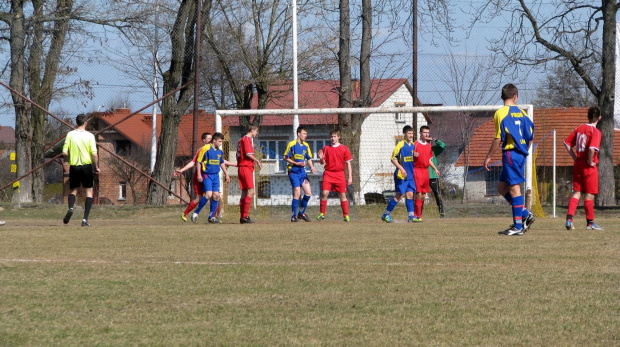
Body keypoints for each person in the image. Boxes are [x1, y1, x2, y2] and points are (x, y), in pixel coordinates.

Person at [483, 83, 535, 236]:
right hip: (520, 154)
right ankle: (525, 214)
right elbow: (531, 136)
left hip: (511, 153)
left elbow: (498, 137)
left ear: (502, 97)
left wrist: (489, 156)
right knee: (501, 187)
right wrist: (524, 150)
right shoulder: (523, 113)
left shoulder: (500, 113)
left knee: (514, 188)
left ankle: (518, 226)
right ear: (515, 96)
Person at [563, 106, 604, 230]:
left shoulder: (580, 128)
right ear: (599, 118)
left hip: (578, 164)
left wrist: (575, 157)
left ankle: (569, 219)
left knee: (577, 192)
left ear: (588, 116)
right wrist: (591, 161)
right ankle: (590, 223)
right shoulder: (595, 131)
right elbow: (592, 149)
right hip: (588, 166)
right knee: (589, 194)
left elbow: (566, 143)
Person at [62, 114, 100, 227]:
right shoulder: (89, 136)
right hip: (86, 166)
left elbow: (64, 152)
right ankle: (85, 220)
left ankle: (71, 207)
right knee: (89, 192)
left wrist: (68, 160)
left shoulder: (70, 134)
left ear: (76, 122)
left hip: (74, 166)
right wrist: (96, 166)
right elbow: (94, 154)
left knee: (73, 190)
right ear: (85, 123)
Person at [191, 132, 234, 223]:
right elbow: (199, 162)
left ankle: (211, 217)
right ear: (214, 140)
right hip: (207, 175)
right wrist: (199, 174)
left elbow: (221, 162)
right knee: (208, 195)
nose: (220, 143)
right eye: (219, 141)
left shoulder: (219, 151)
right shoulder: (205, 149)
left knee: (216, 196)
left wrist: (226, 173)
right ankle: (196, 212)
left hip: (216, 176)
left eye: (221, 142)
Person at [381, 125, 416, 223]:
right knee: (399, 196)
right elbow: (393, 158)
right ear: (404, 134)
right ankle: (386, 214)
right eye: (409, 133)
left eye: (412, 133)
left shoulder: (413, 145)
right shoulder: (400, 145)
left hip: (410, 176)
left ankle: (411, 217)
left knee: (410, 195)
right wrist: (401, 168)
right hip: (401, 175)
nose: (411, 135)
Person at [316, 129, 353, 222]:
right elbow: (322, 163)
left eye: (334, 136)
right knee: (324, 193)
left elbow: (348, 164)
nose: (332, 138)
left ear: (338, 137)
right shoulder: (326, 148)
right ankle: (322, 213)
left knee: (342, 195)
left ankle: (346, 215)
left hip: (339, 174)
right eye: (331, 137)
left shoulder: (344, 148)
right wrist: (321, 159)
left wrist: (350, 177)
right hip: (328, 173)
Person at [175, 132, 212, 222]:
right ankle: (185, 213)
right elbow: (193, 162)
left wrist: (234, 164)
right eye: (209, 138)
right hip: (199, 177)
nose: (211, 140)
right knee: (199, 198)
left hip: (209, 176)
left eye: (212, 138)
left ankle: (212, 217)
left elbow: (221, 160)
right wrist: (182, 170)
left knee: (214, 196)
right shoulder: (202, 150)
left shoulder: (214, 149)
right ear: (204, 140)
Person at [283, 126, 317, 222]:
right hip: (293, 172)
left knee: (308, 193)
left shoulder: (306, 146)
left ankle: (301, 213)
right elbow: (285, 157)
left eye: (306, 134)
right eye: (304, 133)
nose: (306, 135)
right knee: (297, 192)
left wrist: (312, 167)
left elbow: (309, 158)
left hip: (302, 173)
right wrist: (296, 163)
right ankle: (293, 216)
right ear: (298, 134)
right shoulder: (292, 144)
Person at [412, 125, 440, 222]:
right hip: (417, 170)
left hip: (425, 171)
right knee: (418, 194)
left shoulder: (428, 146)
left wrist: (435, 169)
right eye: (424, 132)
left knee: (423, 195)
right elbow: (408, 156)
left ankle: (416, 214)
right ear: (420, 133)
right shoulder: (415, 144)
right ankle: (417, 216)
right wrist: (412, 154)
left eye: (428, 132)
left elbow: (428, 160)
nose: (426, 134)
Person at [236, 125, 262, 224]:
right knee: (251, 191)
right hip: (246, 167)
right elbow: (248, 153)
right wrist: (257, 161)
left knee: (244, 192)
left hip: (241, 168)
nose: (257, 133)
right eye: (256, 131)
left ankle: (242, 216)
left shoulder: (240, 140)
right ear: (251, 130)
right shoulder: (247, 139)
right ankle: (245, 216)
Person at [428, 136, 446, 217]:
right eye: (426, 141)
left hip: (433, 175)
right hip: (423, 175)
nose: (428, 143)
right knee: (420, 194)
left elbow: (443, 145)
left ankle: (441, 212)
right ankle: (417, 214)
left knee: (437, 193)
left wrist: (435, 140)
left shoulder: (434, 150)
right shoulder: (419, 148)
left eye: (429, 141)